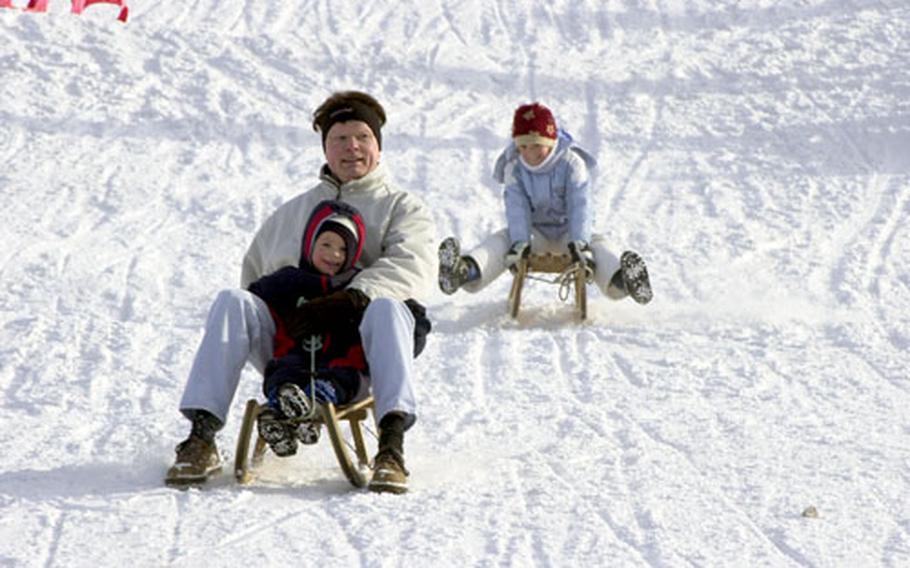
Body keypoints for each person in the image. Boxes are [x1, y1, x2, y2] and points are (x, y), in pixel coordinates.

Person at [166, 91, 437, 495]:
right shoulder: (292, 214)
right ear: (325, 148)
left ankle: (392, 449)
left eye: (361, 136)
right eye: (339, 139)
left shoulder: (402, 207)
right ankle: (201, 436)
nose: (351, 148)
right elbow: (254, 279)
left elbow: (413, 266)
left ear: (378, 145)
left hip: (358, 353)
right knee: (232, 301)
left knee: (388, 309)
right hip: (296, 344)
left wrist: (351, 298)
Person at [437, 102, 653, 305]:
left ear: (549, 141)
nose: (529, 153)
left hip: (571, 234)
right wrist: (520, 242)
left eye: (535, 146)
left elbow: (581, 205)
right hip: (534, 234)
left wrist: (580, 242)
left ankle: (622, 279)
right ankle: (465, 270)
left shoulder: (571, 163)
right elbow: (516, 208)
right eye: (523, 146)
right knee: (502, 240)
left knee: (599, 245)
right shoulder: (514, 167)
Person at [248, 199, 371, 457]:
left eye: (343, 249)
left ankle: (311, 409)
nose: (334, 254)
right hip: (297, 356)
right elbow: (253, 297)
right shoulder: (289, 280)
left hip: (342, 361)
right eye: (326, 244)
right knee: (282, 372)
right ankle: (277, 414)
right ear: (309, 244)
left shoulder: (354, 286)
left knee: (341, 378)